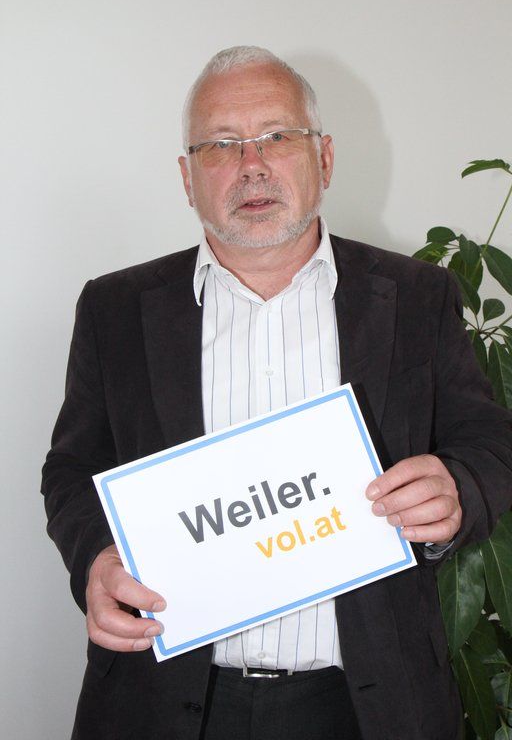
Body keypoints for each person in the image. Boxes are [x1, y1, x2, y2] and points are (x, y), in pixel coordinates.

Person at [42, 46, 512, 740]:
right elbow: (72, 470)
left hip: (368, 705)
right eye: (220, 145)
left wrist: (459, 488)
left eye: (277, 136)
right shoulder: (115, 309)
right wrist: (97, 557)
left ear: (324, 157)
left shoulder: (418, 297)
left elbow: (490, 440)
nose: (251, 164)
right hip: (164, 700)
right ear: (187, 178)